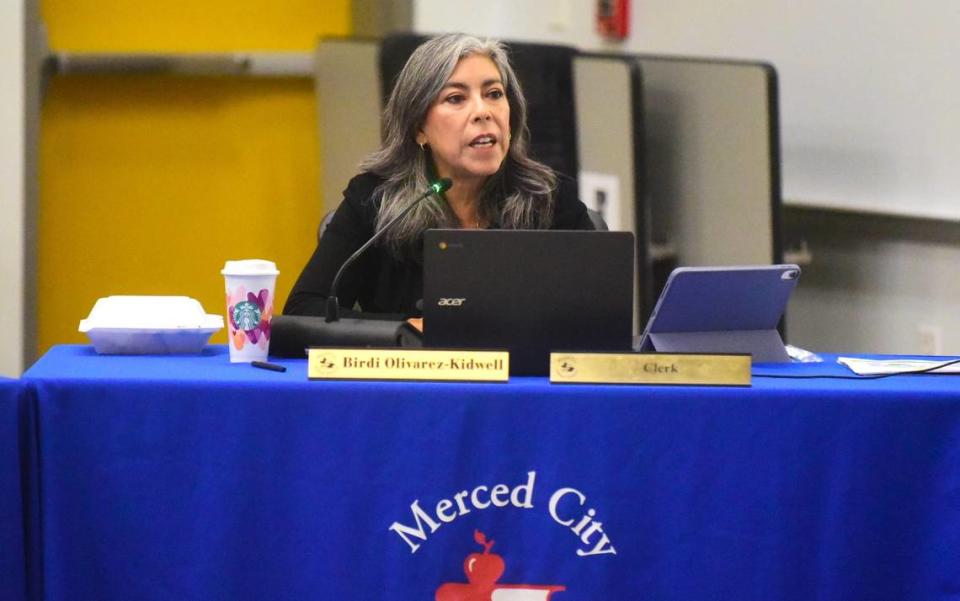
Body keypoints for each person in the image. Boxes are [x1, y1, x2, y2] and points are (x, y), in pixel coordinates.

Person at [284, 33, 594, 320]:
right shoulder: (375, 201)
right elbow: (304, 310)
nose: (483, 111)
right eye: (456, 98)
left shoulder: (549, 199)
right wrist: (407, 331)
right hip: (409, 381)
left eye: (494, 94)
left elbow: (599, 317)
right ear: (419, 127)